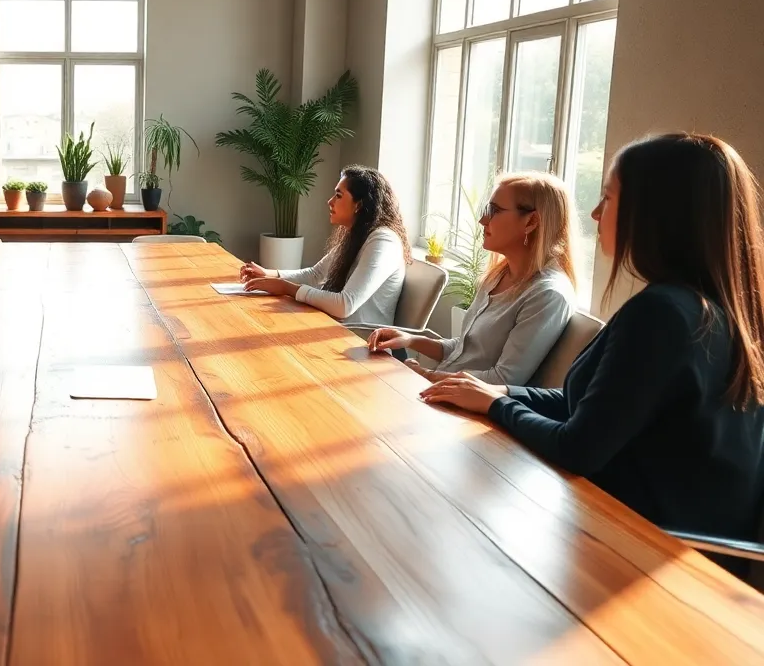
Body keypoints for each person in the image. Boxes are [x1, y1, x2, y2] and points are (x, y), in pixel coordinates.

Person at [421, 133, 764, 567]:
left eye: (607, 198)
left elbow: (578, 447)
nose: (595, 212)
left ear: (656, 213)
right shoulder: (708, 309)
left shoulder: (663, 314)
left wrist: (496, 408)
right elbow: (583, 406)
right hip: (646, 539)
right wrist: (502, 395)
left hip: (649, 554)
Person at [368, 172, 576, 385]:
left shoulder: (547, 295)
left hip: (464, 409)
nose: (482, 220)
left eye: (495, 211)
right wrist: (410, 340)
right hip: (441, 392)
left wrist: (426, 375)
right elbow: (465, 351)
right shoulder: (498, 276)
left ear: (531, 221)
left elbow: (503, 380)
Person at [240, 165, 409, 326]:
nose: (330, 201)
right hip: (334, 329)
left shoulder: (383, 241)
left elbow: (345, 305)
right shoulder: (358, 235)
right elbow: (316, 274)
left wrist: (287, 288)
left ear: (359, 205)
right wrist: (269, 274)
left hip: (360, 343)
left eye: (339, 195)